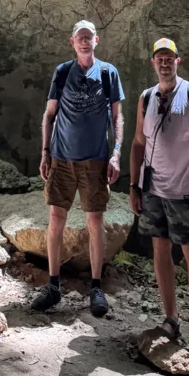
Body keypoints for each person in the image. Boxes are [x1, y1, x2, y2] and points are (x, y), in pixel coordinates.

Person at [129, 37, 189, 369]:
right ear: (153, 62)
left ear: (178, 61)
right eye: (160, 58)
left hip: (185, 192)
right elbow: (138, 143)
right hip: (154, 190)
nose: (165, 63)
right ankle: (171, 318)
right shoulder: (146, 98)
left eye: (170, 57)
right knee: (159, 250)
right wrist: (134, 185)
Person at [30, 20, 124, 317]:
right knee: (56, 217)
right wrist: (45, 152)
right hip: (62, 157)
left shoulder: (108, 73)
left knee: (95, 220)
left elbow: (118, 117)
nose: (84, 42)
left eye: (88, 38)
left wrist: (116, 154)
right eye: (79, 38)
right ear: (73, 42)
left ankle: (96, 287)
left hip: (95, 159)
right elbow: (49, 115)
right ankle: (54, 284)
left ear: (96, 40)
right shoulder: (62, 72)